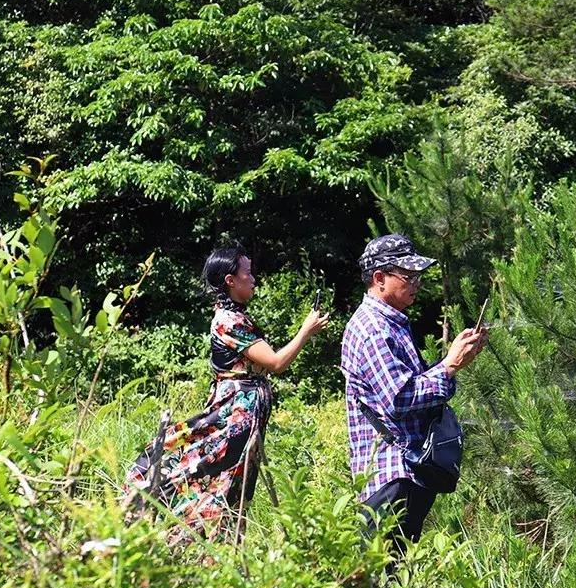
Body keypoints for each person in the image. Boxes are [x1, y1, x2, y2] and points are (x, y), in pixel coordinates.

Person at [124, 245, 329, 543]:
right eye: (248, 273)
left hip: (244, 410)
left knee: (231, 481)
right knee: (216, 472)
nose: (254, 279)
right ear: (231, 280)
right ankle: (176, 531)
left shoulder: (235, 316)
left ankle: (213, 545)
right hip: (235, 412)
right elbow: (275, 363)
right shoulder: (229, 321)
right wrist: (305, 331)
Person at [341, 234, 487, 553]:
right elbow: (401, 399)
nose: (417, 283)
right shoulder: (373, 330)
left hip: (403, 470)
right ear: (379, 279)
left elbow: (406, 384)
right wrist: (449, 365)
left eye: (418, 276)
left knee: (393, 577)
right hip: (389, 474)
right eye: (408, 277)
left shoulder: (391, 323)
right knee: (381, 579)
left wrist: (454, 360)